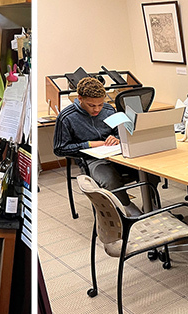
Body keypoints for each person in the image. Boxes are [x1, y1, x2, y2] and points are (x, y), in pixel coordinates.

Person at [52, 77, 156, 214]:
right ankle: (128, 209)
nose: (97, 109)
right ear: (80, 98)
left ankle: (151, 205)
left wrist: (117, 138)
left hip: (118, 155)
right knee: (110, 179)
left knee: (150, 171)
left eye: (100, 104)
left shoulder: (108, 109)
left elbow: (122, 132)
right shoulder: (66, 117)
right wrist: (88, 144)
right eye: (92, 105)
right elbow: (59, 149)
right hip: (92, 160)